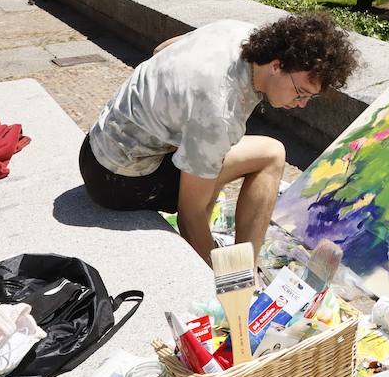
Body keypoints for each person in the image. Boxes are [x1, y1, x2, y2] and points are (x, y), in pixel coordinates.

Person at [80, 14, 357, 265]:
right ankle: (242, 270)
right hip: (119, 183)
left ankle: (238, 260)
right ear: (277, 65)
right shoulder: (219, 111)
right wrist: (220, 277)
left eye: (310, 97)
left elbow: (161, 49)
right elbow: (190, 214)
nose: (301, 104)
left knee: (212, 155)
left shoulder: (239, 33)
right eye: (301, 92)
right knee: (270, 156)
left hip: (97, 145)